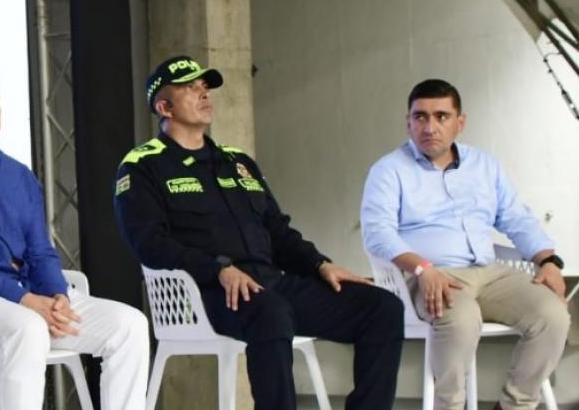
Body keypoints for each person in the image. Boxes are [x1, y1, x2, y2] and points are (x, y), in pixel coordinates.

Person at [114, 55, 404, 410]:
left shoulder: (238, 162)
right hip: (204, 293)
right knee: (271, 312)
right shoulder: (144, 164)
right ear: (164, 106)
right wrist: (217, 268)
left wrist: (319, 265)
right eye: (191, 88)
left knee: (382, 307)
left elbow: (277, 232)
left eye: (205, 87)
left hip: (270, 284)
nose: (204, 94)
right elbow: (149, 244)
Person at [0, 60, 150, 410]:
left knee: (130, 325)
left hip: (26, 296)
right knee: (28, 328)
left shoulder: (17, 174)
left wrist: (57, 295)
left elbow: (40, 250)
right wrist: (23, 299)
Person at [361, 78, 569, 410]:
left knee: (553, 315)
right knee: (461, 319)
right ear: (408, 122)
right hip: (431, 276)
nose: (430, 126)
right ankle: (451, 406)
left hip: (489, 273)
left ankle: (515, 405)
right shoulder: (388, 171)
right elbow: (378, 233)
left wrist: (548, 261)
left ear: (460, 122)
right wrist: (422, 267)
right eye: (420, 117)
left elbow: (516, 217)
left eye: (441, 116)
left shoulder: (484, 165)